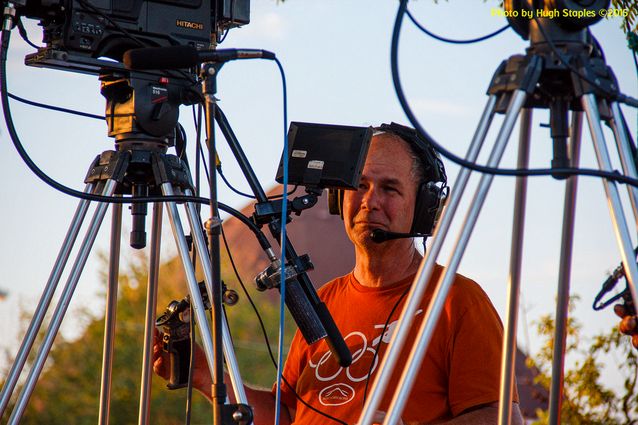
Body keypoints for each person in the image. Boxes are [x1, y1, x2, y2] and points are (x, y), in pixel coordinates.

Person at [154, 123, 524, 424]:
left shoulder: (457, 300)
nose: (369, 200)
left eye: (389, 188)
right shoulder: (325, 300)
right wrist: (206, 374)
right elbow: (285, 414)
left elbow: (504, 417)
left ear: (426, 208)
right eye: (358, 185)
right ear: (338, 197)